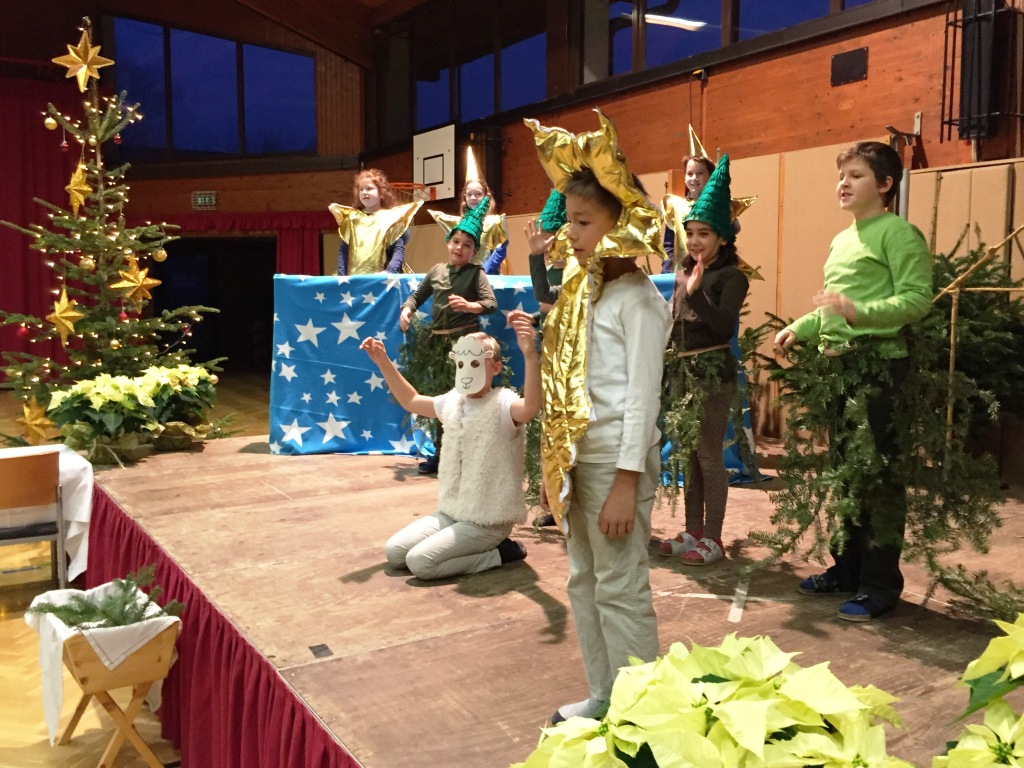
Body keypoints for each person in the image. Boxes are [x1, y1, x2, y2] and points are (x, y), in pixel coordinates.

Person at [526, 111, 671, 724]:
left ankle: (645, 715)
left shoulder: (638, 301)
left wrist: (626, 481)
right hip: (580, 462)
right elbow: (565, 384)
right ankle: (606, 696)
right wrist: (554, 469)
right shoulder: (586, 292)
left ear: (622, 223)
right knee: (584, 581)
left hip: (616, 464)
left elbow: (642, 400)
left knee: (621, 585)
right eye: (570, 221)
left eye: (585, 222)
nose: (572, 234)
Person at [774, 140, 932, 622]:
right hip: (842, 371)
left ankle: (880, 585)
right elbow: (833, 308)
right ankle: (847, 569)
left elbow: (916, 299)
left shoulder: (899, 233)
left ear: (885, 184)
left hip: (880, 369)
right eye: (841, 176)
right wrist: (801, 328)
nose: (843, 183)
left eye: (856, 175)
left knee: (878, 480)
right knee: (846, 474)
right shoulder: (842, 240)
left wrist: (859, 312)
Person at [361, 313, 540, 580]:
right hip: (453, 511)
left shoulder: (503, 404)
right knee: (395, 553)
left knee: (421, 564)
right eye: (462, 362)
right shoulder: (453, 402)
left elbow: (531, 407)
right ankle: (468, 545)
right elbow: (411, 401)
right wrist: (382, 361)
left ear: (495, 368)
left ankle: (500, 553)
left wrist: (530, 356)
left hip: (488, 520)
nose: (467, 370)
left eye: (476, 362)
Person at [658, 155, 750, 566]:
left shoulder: (731, 277)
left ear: (723, 238)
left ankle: (713, 537)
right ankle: (692, 529)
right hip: (682, 372)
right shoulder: (683, 273)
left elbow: (723, 327)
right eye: (690, 233)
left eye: (704, 234)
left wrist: (696, 293)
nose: (694, 241)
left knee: (708, 453)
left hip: (712, 373)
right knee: (688, 453)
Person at [399, 196, 497, 475]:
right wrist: (407, 310)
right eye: (456, 242)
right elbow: (417, 296)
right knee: (441, 402)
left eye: (467, 245)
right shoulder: (437, 271)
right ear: (448, 243)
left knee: (466, 401)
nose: (459, 248)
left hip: (465, 346)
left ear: (474, 251)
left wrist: (469, 306)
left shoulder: (475, 274)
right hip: (437, 346)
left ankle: (467, 456)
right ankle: (442, 455)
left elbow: (490, 304)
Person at [429, 148, 509, 275]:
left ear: (486, 196)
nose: (473, 198)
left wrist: (484, 272)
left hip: (487, 276)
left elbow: (500, 250)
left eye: (478, 194)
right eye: (469, 194)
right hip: (463, 275)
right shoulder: (460, 224)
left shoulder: (494, 222)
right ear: (464, 197)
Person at [329, 168, 420, 275]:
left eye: (369, 188)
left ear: (381, 193)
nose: (364, 192)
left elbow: (398, 249)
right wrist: (341, 275)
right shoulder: (352, 219)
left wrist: (390, 272)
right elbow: (344, 250)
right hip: (354, 279)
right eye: (361, 189)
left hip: (381, 279)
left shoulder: (391, 218)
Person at [662, 155, 715, 273]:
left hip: (711, 273)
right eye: (690, 174)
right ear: (685, 177)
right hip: (682, 274)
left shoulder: (717, 206)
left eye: (700, 173)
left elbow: (733, 230)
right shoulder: (676, 207)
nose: (694, 178)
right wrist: (666, 271)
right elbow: (669, 244)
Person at [525, 188, 569, 315]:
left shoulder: (573, 274)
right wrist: (533, 318)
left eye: (550, 241)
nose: (545, 248)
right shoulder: (549, 271)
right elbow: (544, 300)